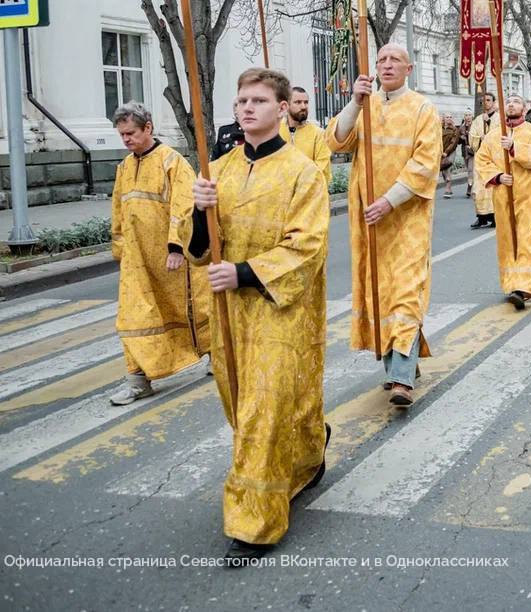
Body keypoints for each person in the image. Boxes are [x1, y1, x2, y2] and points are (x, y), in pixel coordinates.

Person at [189, 67, 329, 565]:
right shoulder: (219, 170)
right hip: (228, 312)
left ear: (283, 108)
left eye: (259, 101)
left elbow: (307, 246)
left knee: (263, 411)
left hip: (279, 309)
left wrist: (245, 273)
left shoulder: (302, 172)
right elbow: (201, 250)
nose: (247, 108)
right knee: (241, 403)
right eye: (241, 101)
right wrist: (197, 212)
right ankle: (310, 450)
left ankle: (253, 523)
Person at [326, 44, 442, 407]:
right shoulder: (368, 106)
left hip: (406, 217)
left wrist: (389, 200)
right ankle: (400, 362)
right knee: (381, 293)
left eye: (395, 60)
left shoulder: (423, 109)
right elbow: (336, 140)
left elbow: (423, 166)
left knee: (406, 290)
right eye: (381, 60)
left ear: (409, 67)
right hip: (369, 222)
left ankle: (402, 379)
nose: (387, 65)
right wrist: (355, 102)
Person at [108, 102, 209, 406]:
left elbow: (184, 204)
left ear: (148, 128)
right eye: (122, 134)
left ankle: (213, 352)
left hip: (169, 259)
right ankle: (138, 379)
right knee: (133, 316)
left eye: (131, 133)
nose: (126, 139)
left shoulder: (171, 161)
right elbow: (118, 210)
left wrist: (176, 246)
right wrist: (120, 247)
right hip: (136, 261)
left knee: (191, 309)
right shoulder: (124, 167)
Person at [476, 94, 531, 308]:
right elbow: (482, 159)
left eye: (516, 101)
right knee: (507, 238)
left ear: (524, 108)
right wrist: (497, 176)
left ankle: (525, 286)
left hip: (527, 194)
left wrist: (515, 147)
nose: (511, 104)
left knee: (526, 236)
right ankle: (511, 283)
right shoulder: (493, 135)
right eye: (508, 102)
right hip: (503, 194)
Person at [279, 86, 332, 184]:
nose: (303, 106)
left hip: (310, 195)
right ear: (286, 105)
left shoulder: (318, 134)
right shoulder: (276, 132)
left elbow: (322, 170)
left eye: (306, 102)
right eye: (298, 102)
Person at [468, 93, 499, 228]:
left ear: (493, 102)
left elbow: (502, 134)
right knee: (479, 188)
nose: (485, 103)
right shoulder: (477, 120)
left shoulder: (499, 119)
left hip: (494, 159)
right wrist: (479, 138)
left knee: (492, 187)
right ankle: (481, 217)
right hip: (481, 158)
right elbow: (472, 137)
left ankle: (494, 216)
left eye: (488, 100)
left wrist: (489, 137)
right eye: (483, 100)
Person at [440, 114, 460, 198]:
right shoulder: (439, 129)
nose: (449, 118)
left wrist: (447, 152)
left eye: (450, 117)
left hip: (451, 152)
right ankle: (449, 187)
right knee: (443, 171)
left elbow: (454, 142)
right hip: (441, 152)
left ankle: (447, 189)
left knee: (447, 168)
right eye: (447, 117)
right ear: (444, 119)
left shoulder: (455, 129)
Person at [460, 110, 475, 197]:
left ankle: (469, 187)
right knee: (469, 170)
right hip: (465, 151)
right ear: (464, 117)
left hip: (473, 151)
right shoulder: (462, 127)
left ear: (472, 116)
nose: (468, 117)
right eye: (466, 115)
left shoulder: (475, 126)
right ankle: (472, 184)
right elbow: (457, 140)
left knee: (470, 169)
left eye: (469, 115)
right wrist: (461, 137)